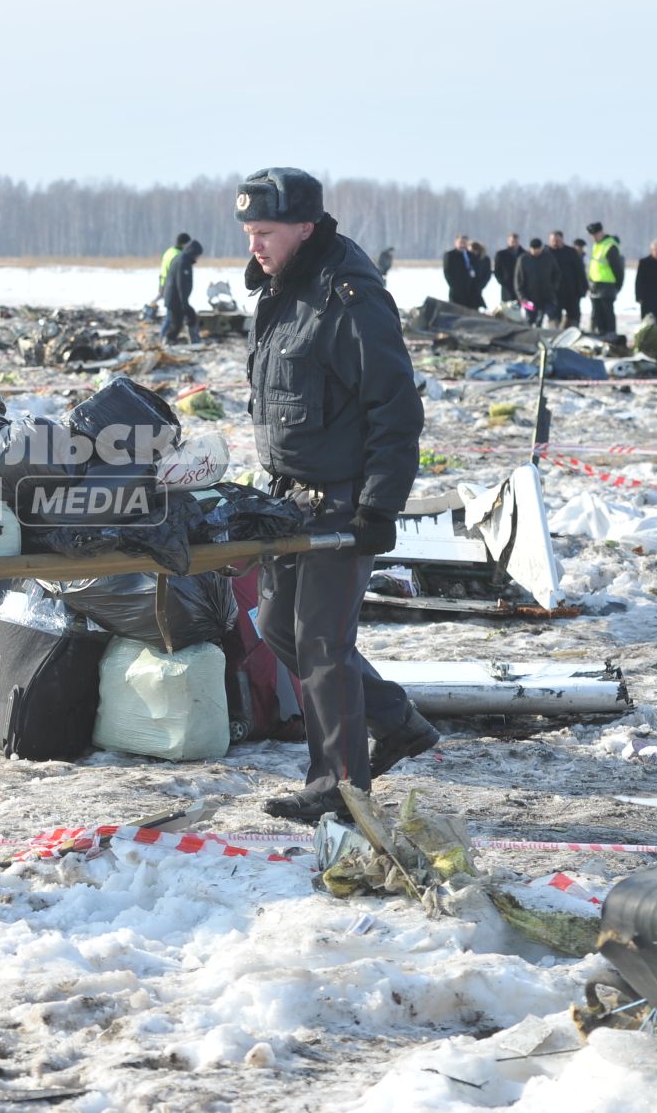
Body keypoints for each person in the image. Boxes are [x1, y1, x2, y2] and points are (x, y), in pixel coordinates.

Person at [238, 167, 434, 824]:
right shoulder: (281, 287)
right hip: (289, 495)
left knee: (323, 646)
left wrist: (379, 506)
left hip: (342, 500)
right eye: (248, 232)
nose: (254, 244)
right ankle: (397, 721)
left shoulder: (348, 297)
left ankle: (340, 789)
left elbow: (395, 408)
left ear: (305, 226)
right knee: (279, 630)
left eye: (265, 232)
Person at [584, 222, 625, 337]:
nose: (593, 237)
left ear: (601, 232)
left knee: (607, 312)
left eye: (595, 235)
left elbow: (617, 268)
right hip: (595, 285)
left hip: (607, 285)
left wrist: (618, 285)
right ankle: (601, 334)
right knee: (597, 313)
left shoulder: (610, 246)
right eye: (592, 235)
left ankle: (611, 334)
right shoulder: (597, 245)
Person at [161, 237, 203, 344]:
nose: (198, 258)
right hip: (175, 298)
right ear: (193, 252)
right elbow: (181, 284)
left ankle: (192, 338)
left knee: (183, 319)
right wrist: (184, 303)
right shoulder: (183, 261)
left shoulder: (182, 259)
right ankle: (167, 340)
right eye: (198, 255)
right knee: (177, 323)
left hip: (175, 297)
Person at [515, 237, 558, 326]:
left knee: (550, 317)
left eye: (537, 249)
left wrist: (553, 288)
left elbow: (556, 274)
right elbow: (518, 281)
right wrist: (522, 297)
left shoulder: (548, 258)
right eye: (533, 249)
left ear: (541, 248)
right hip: (528, 299)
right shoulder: (523, 259)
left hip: (546, 297)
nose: (535, 251)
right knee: (530, 320)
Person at [549, 230, 586, 329]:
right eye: (553, 240)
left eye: (557, 240)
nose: (555, 243)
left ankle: (572, 334)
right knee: (554, 317)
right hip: (554, 293)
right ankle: (554, 335)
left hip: (571, 292)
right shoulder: (546, 253)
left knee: (574, 316)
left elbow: (580, 272)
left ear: (562, 240)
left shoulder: (571, 252)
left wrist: (583, 288)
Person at [442, 235, 484, 308]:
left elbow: (477, 270)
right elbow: (447, 273)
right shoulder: (450, 255)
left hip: (470, 292)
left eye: (464, 243)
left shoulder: (471, 255)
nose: (462, 245)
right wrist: (454, 286)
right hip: (456, 291)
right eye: (460, 242)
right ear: (456, 243)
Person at [156, 232, 193, 308]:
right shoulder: (178, 255)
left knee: (170, 310)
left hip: (163, 283)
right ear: (184, 244)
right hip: (171, 286)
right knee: (172, 312)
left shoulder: (169, 251)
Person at [494, 233, 523, 305]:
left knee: (524, 308)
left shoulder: (524, 254)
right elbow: (497, 271)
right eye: (512, 241)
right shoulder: (501, 255)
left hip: (521, 287)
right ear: (508, 241)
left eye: (516, 241)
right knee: (508, 307)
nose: (514, 244)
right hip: (507, 287)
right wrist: (502, 282)